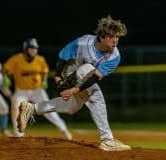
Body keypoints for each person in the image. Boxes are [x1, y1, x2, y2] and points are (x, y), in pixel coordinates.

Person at [16, 15, 131, 151]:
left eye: (117, 37)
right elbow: (63, 56)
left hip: (83, 79)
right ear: (101, 37)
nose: (115, 40)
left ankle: (32, 109)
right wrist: (58, 76)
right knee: (95, 94)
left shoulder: (115, 56)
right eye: (111, 36)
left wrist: (74, 90)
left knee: (72, 107)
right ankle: (107, 139)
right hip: (68, 74)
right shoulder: (83, 42)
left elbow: (94, 78)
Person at [3, 38, 72, 139]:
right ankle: (19, 134)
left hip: (37, 91)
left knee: (48, 109)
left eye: (35, 48)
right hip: (21, 91)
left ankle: (64, 130)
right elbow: (4, 69)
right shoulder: (16, 60)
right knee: (16, 107)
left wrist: (44, 81)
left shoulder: (40, 60)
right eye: (31, 48)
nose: (34, 50)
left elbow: (44, 71)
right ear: (26, 49)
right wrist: (5, 77)